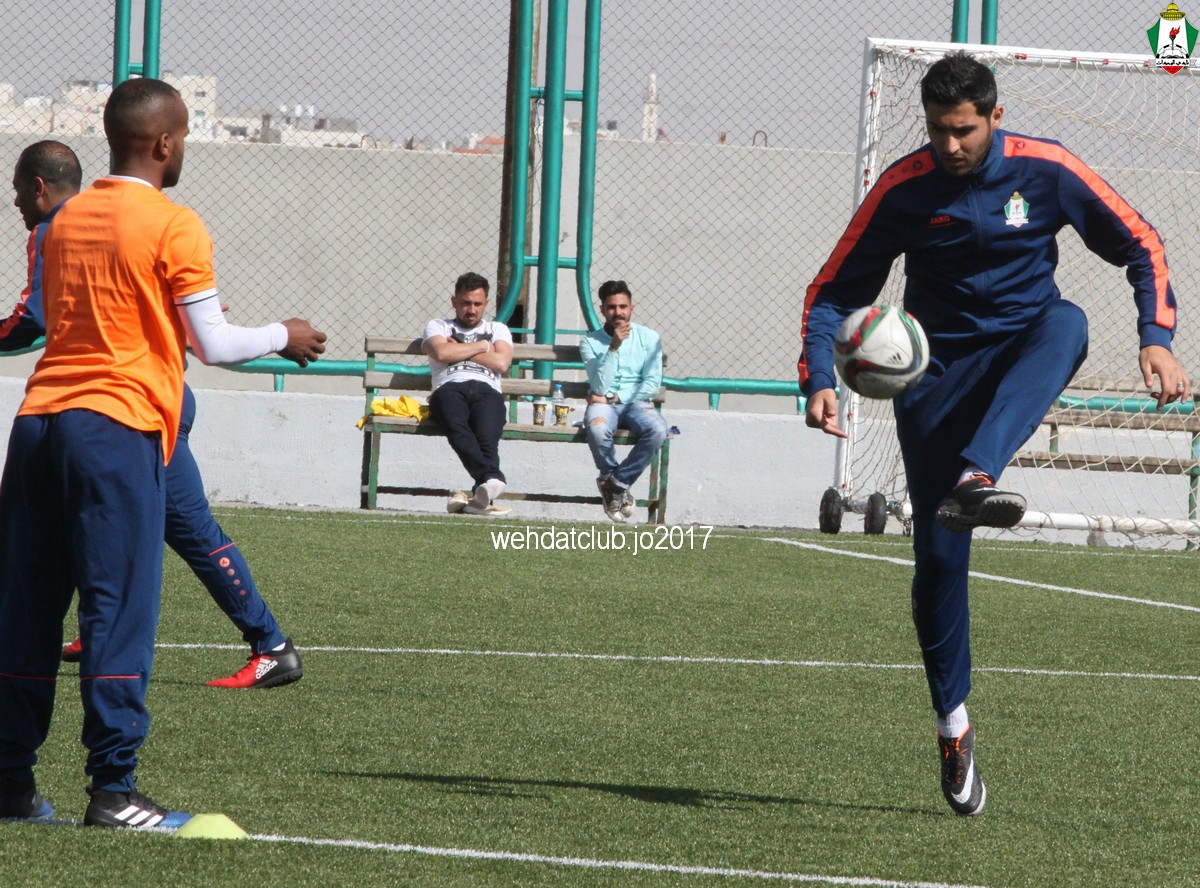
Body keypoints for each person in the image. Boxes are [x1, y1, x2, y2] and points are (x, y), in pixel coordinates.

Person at [798, 52, 1189, 816]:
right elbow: (832, 290)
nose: (951, 145)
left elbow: (1142, 242)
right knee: (939, 565)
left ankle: (978, 474)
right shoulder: (903, 188)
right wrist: (818, 376)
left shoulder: (1048, 170)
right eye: (939, 131)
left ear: (995, 117)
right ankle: (953, 726)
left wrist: (1157, 335)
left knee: (1067, 322)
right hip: (933, 383)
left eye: (965, 131)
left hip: (1020, 351)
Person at [0, 78, 326, 828]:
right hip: (116, 428)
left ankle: (10, 783)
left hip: (39, 422)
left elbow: (62, 321)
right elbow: (214, 344)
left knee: (26, 608)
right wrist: (285, 334)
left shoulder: (63, 220)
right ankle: (114, 792)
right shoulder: (175, 223)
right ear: (165, 142)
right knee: (117, 609)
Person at [7, 140, 302, 691]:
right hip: (132, 403)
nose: (16, 201)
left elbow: (34, 320)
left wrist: (277, 334)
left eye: (19, 189)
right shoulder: (127, 221)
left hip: (132, 411)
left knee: (188, 528)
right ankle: (95, 629)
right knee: (89, 513)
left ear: (39, 188)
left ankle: (271, 644)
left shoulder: (59, 228)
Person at [422, 272, 514, 516]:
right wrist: (484, 347)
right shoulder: (438, 326)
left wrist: (462, 349)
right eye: (465, 303)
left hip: (487, 390)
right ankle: (491, 479)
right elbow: (442, 354)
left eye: (477, 304)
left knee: (487, 437)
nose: (471, 310)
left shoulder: (497, 329)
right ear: (454, 301)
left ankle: (480, 498)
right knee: (457, 427)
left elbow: (502, 363)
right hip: (449, 387)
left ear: (486, 304)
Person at [580, 280, 669, 523]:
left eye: (622, 306)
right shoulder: (590, 342)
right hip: (603, 406)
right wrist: (614, 347)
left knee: (658, 430)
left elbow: (651, 385)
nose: (617, 312)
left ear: (631, 308)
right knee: (597, 429)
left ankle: (616, 484)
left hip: (636, 403)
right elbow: (599, 386)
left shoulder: (649, 338)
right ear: (602, 310)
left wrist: (615, 397)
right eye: (611, 307)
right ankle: (614, 482)